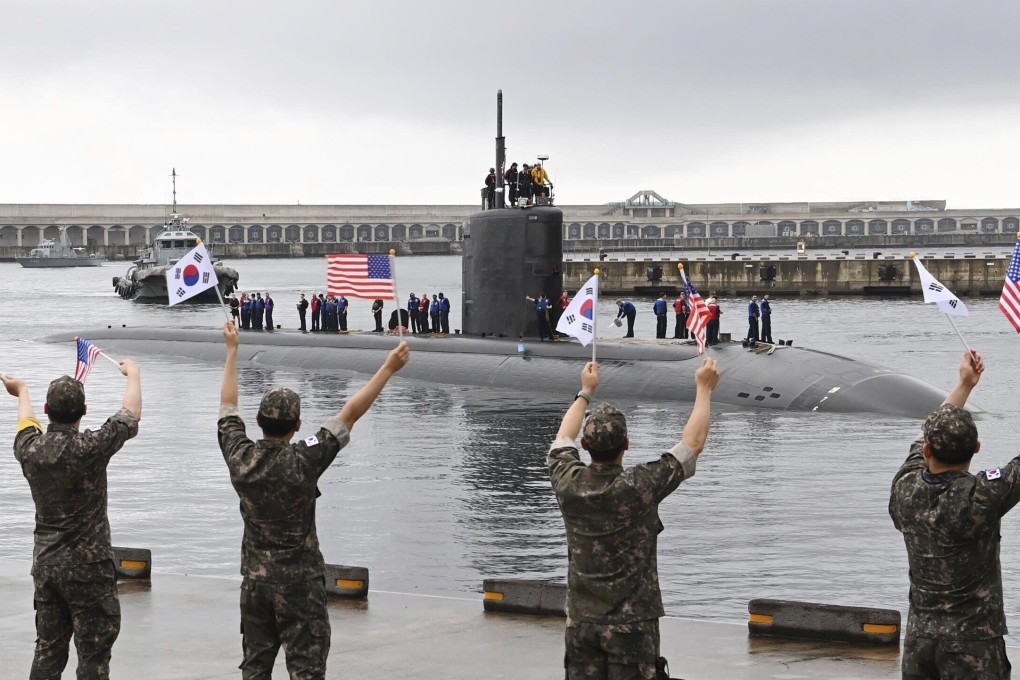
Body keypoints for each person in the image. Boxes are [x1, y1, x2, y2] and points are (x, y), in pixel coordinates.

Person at [218, 322, 410, 679]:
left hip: (256, 585)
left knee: (255, 669)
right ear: (297, 425)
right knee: (307, 670)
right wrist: (389, 367)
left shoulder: (240, 457)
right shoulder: (305, 458)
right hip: (300, 586)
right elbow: (350, 414)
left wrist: (232, 350)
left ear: (258, 422)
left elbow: (228, 407)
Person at [548, 357, 719, 679]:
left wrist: (585, 391)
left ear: (585, 445)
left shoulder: (568, 482)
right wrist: (704, 387)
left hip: (581, 623)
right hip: (632, 627)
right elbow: (692, 444)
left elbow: (562, 439)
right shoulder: (640, 485)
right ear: (626, 444)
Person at [4, 362, 142, 679]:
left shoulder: (30, 449)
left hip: (47, 567)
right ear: (85, 410)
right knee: (93, 659)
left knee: (48, 653)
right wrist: (133, 374)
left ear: (47, 409)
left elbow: (26, 423)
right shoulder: (91, 447)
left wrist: (21, 390)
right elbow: (131, 413)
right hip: (89, 571)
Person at [890, 350, 1017, 679]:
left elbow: (927, 435)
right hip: (973, 646)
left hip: (920, 643)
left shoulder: (905, 490)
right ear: (977, 448)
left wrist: (964, 385)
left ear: (928, 450)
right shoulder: (982, 496)